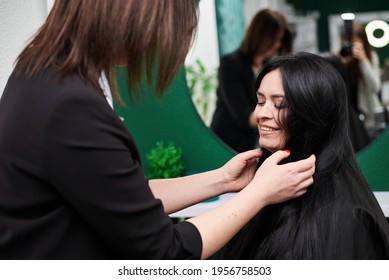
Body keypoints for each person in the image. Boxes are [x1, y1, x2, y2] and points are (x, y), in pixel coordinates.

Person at [0, 0, 316, 260]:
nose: (157, 45)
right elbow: (165, 254)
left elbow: (123, 199)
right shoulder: (70, 106)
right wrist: (258, 193)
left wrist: (222, 180)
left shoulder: (40, 75)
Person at [217, 52, 389, 259]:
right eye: (260, 101)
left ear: (314, 111)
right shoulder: (265, 186)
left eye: (280, 104)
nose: (261, 114)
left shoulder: (346, 216)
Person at [210, 8, 292, 153]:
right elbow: (243, 116)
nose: (277, 45)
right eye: (274, 39)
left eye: (280, 40)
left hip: (251, 142)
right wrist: (287, 118)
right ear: (259, 35)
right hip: (225, 144)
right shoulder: (230, 64)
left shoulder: (269, 67)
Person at [339, 22, 383, 133]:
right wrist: (341, 63)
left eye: (357, 43)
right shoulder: (343, 58)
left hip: (369, 118)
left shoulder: (371, 57)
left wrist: (363, 60)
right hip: (349, 118)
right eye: (351, 43)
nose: (354, 47)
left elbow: (375, 87)